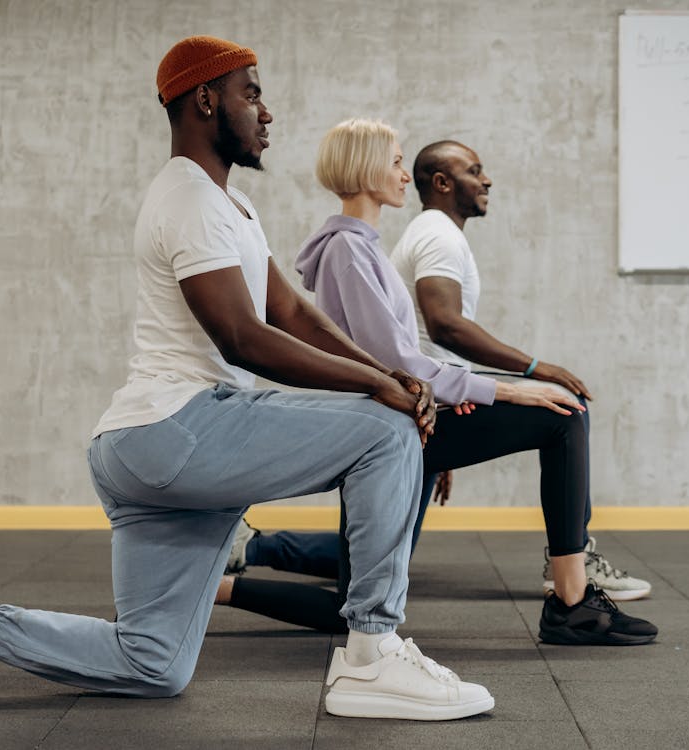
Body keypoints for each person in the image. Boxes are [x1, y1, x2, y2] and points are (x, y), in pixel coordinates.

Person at [0, 36, 494, 722]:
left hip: (151, 452)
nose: (266, 112)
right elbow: (243, 337)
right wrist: (380, 391)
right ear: (205, 100)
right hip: (177, 427)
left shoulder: (233, 206)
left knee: (150, 661)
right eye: (251, 94)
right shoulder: (185, 196)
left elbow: (289, 311)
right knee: (387, 432)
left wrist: (385, 370)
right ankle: (371, 654)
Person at [223, 118, 657, 646]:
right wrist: (507, 387)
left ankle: (215, 583)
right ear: (365, 167)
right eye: (397, 162)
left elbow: (400, 359)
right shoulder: (347, 250)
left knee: (352, 601)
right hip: (391, 426)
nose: (406, 176)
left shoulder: (361, 247)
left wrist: (455, 411)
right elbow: (396, 361)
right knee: (562, 415)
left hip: (410, 421)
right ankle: (571, 600)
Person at [390, 139, 652, 601]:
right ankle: (570, 565)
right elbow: (445, 326)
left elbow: (430, 338)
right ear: (443, 183)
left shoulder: (432, 231)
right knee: (565, 411)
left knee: (384, 551)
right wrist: (535, 367)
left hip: (430, 406)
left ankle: (261, 548)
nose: (487, 179)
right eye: (475, 170)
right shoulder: (437, 234)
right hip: (423, 410)